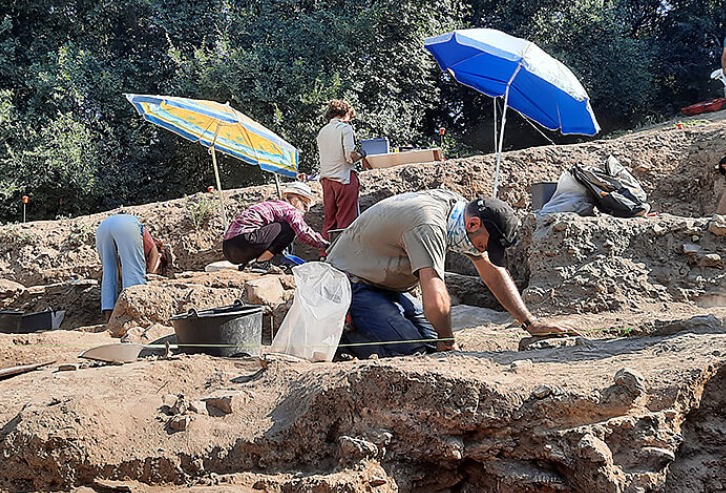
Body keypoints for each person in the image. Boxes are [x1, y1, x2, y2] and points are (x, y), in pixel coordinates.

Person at [325, 189, 571, 358]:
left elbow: (491, 272)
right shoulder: (429, 224)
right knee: (412, 353)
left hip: (383, 286)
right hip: (348, 284)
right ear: (473, 224)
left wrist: (530, 322)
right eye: (484, 245)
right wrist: (448, 341)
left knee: (430, 346)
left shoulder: (457, 211)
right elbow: (435, 297)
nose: (481, 252)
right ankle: (343, 338)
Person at [222, 182, 328, 271]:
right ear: (295, 200)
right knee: (288, 230)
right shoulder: (289, 209)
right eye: (305, 206)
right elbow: (303, 231)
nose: (305, 211)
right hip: (243, 242)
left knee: (278, 231)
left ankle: (251, 263)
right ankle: (261, 263)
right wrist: (324, 245)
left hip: (229, 249)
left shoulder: (273, 205)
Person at [96, 214, 169, 322]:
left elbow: (119, 268)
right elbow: (156, 254)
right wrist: (151, 274)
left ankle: (109, 319)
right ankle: (134, 317)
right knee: (134, 272)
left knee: (109, 273)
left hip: (102, 228)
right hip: (126, 226)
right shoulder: (145, 238)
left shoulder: (129, 243)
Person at [313, 100, 366, 240]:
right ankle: (344, 253)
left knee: (330, 219)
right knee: (346, 219)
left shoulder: (322, 131)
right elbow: (350, 156)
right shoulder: (345, 128)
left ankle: (325, 252)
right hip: (344, 178)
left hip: (326, 179)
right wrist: (362, 154)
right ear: (345, 114)